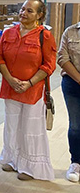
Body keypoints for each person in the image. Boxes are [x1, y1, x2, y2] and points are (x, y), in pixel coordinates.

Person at [0, 0, 56, 181]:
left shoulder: (44, 36)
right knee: (12, 125)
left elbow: (49, 65)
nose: (23, 13)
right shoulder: (8, 33)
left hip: (32, 90)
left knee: (30, 128)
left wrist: (29, 83)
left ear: (39, 15)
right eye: (23, 9)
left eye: (29, 11)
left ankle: (29, 167)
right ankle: (12, 158)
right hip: (11, 88)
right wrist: (9, 79)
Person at [57, 21, 80, 182]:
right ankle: (76, 163)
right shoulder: (70, 32)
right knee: (75, 126)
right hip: (72, 83)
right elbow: (62, 57)